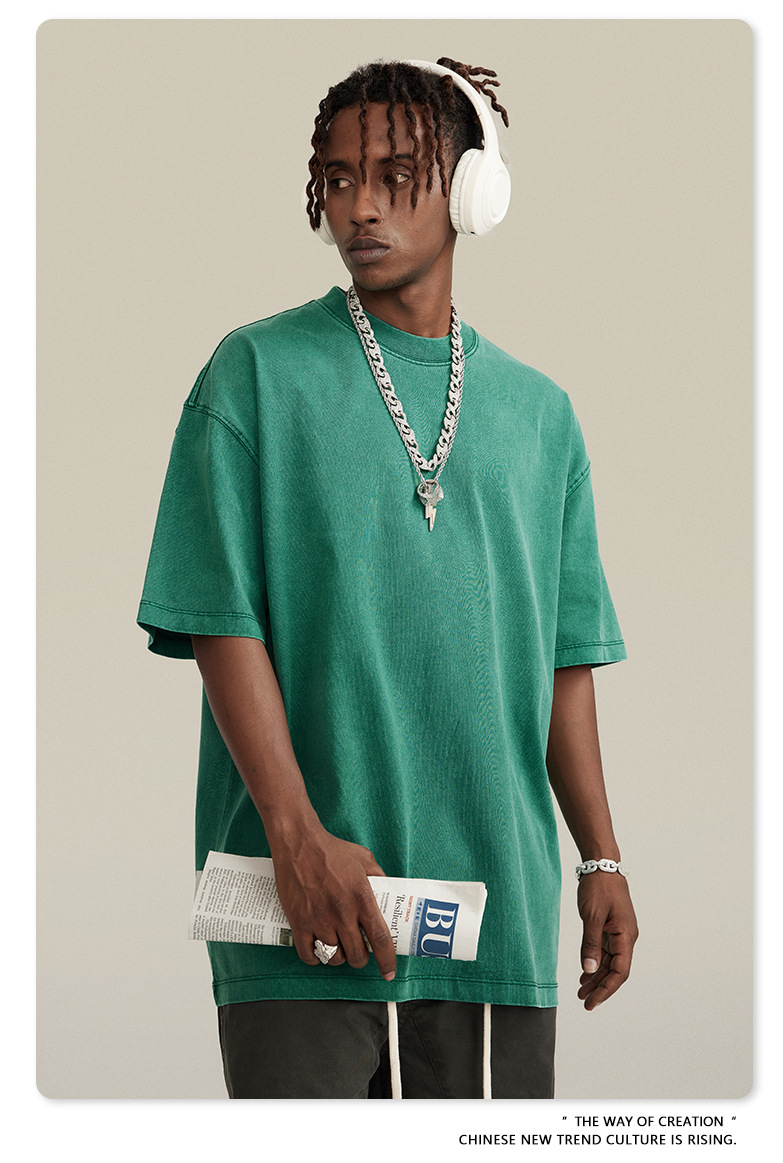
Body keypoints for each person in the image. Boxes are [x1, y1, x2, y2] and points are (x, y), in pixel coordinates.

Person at [138, 57, 638, 1100]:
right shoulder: (254, 375)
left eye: (394, 176)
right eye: (336, 178)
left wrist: (600, 858)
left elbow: (563, 662)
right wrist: (296, 839)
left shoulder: (542, 417)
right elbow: (221, 622)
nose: (358, 205)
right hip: (303, 911)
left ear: (470, 191)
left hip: (493, 916)